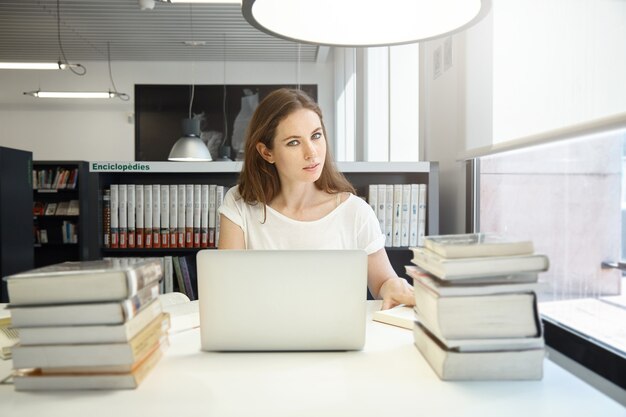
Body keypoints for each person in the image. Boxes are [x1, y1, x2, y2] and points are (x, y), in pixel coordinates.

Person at [218, 88, 414, 309]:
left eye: (316, 135)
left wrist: (392, 286)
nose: (312, 152)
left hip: (338, 340)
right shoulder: (239, 204)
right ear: (266, 152)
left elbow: (383, 283)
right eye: (294, 142)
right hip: (260, 338)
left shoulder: (356, 212)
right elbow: (228, 289)